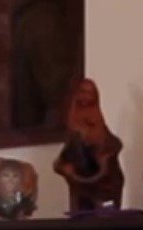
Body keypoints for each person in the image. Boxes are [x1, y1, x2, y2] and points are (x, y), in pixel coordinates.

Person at [52, 77, 124, 212]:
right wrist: (65, 168)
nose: (85, 96)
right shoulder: (74, 132)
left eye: (89, 93)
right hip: (80, 188)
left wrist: (105, 157)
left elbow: (115, 145)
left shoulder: (101, 129)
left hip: (105, 187)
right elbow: (61, 161)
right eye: (83, 92)